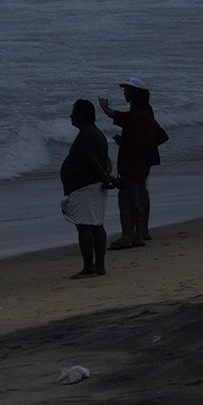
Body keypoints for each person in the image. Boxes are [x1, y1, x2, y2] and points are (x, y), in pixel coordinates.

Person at [101, 78, 168, 249]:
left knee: (127, 201)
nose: (124, 93)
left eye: (127, 90)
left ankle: (127, 237)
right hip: (142, 163)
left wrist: (105, 108)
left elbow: (115, 115)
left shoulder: (137, 115)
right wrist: (141, 148)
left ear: (135, 95)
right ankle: (140, 234)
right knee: (139, 197)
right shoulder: (147, 113)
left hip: (133, 163)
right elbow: (161, 136)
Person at [60, 99, 117, 279]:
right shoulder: (96, 133)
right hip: (93, 185)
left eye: (74, 112)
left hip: (85, 186)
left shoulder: (86, 135)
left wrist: (105, 178)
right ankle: (99, 266)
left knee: (85, 227)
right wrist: (106, 177)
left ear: (82, 115)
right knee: (96, 225)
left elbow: (91, 161)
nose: (71, 115)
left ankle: (89, 267)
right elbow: (105, 161)